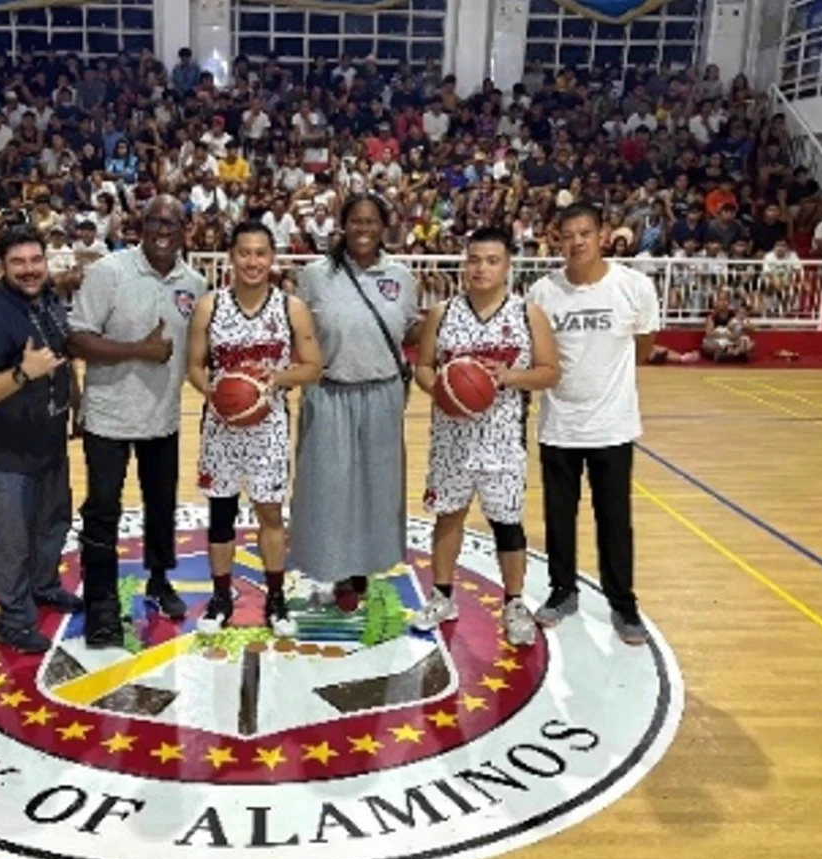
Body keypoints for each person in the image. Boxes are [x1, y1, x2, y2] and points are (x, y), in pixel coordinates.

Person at [68, 195, 208, 648]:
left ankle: (159, 579)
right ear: (139, 225)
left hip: (162, 416)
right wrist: (138, 351)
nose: (163, 229)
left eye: (172, 222)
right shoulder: (109, 272)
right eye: (155, 221)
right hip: (108, 416)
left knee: (161, 505)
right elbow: (78, 339)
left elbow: (200, 351)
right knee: (103, 511)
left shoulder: (195, 282)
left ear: (186, 229)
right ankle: (101, 605)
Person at [410, 227, 559, 645]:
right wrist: (441, 386)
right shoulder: (442, 313)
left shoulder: (528, 314)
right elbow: (422, 367)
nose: (481, 268)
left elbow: (550, 372)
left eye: (491, 260)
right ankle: (442, 596)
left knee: (507, 524)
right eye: (474, 260)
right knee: (448, 516)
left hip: (503, 439)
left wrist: (509, 376)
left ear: (507, 266)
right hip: (451, 438)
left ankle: (513, 603)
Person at [526, 202, 659, 646]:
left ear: (603, 235)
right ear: (557, 239)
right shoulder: (543, 292)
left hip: (613, 425)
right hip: (559, 424)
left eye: (586, 232)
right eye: (569, 234)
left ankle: (624, 605)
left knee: (614, 520)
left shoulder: (634, 287)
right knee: (559, 517)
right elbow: (537, 355)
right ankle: (562, 592)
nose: (577, 241)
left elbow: (643, 347)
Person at [185, 221, 323, 636]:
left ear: (272, 258)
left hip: (269, 429)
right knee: (221, 514)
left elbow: (314, 367)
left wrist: (272, 381)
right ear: (231, 257)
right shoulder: (210, 306)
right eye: (244, 253)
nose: (252, 261)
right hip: (221, 429)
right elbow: (193, 365)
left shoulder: (290, 308)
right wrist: (216, 391)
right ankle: (221, 597)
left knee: (269, 513)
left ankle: (276, 597)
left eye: (260, 253)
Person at [287, 193, 423, 612]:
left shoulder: (400, 276)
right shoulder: (314, 274)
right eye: (356, 222)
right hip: (328, 391)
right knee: (327, 486)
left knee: (375, 487)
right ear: (343, 225)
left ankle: (362, 567)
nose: (364, 229)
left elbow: (411, 331)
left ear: (384, 227)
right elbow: (294, 328)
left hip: (382, 392)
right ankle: (334, 566)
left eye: (372, 222)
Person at [0, 226, 79, 654]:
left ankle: (44, 586)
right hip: (5, 450)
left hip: (49, 440)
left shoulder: (49, 302)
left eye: (35, 261)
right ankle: (13, 619)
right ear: (2, 267)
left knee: (52, 524)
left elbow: (61, 361)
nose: (29, 270)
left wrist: (74, 404)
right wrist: (22, 373)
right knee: (12, 540)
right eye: (19, 262)